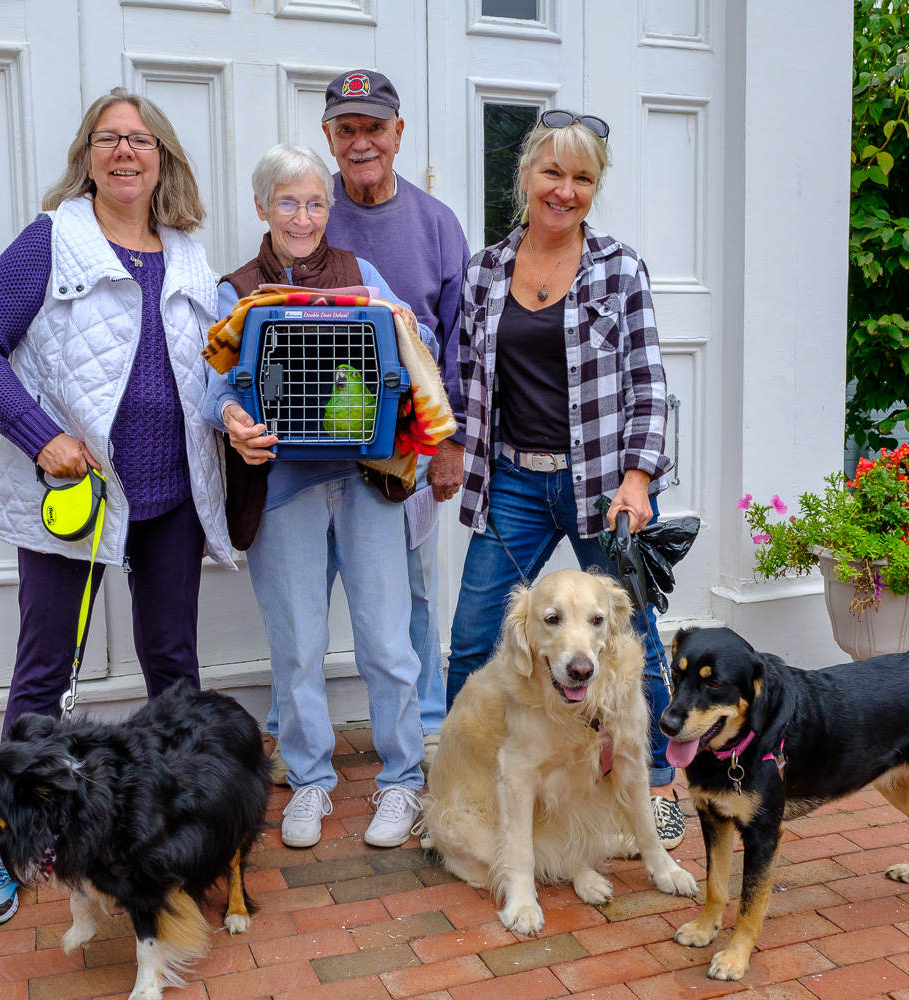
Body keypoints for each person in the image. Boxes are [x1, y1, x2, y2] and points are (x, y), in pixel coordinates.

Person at [0, 88, 230, 923]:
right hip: (76, 496)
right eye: (108, 140)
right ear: (87, 156)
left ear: (163, 157)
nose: (125, 152)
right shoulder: (51, 242)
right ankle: (5, 853)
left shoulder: (188, 257)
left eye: (140, 140)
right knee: (44, 677)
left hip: (171, 497)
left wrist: (238, 418)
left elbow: (211, 376)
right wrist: (40, 436)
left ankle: (178, 838)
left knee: (174, 671)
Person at [446, 110, 685, 850]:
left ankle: (655, 784)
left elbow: (648, 383)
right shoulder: (486, 270)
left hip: (600, 486)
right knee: (472, 637)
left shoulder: (619, 268)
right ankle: (468, 780)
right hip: (512, 480)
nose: (565, 190)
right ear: (525, 177)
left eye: (582, 178)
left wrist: (640, 478)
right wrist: (450, 447)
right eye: (552, 173)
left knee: (628, 635)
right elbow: (464, 378)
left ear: (594, 187)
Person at [203, 144, 432, 850]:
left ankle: (403, 781)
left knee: (386, 642)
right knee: (297, 646)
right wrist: (232, 421)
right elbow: (214, 386)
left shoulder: (361, 274)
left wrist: (406, 341)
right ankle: (309, 780)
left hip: (364, 481)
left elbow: (410, 348)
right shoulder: (236, 289)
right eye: (288, 202)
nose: (303, 217)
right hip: (283, 489)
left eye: (314, 202)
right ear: (261, 207)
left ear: (328, 208)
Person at [261, 69, 469, 783]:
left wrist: (450, 443)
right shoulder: (310, 213)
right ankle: (291, 732)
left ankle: (428, 727)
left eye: (373, 127)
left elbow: (461, 342)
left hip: (405, 445)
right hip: (312, 447)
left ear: (398, 133)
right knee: (303, 593)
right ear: (328, 137)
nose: (360, 142)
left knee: (410, 590)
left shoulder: (437, 224)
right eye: (346, 129)